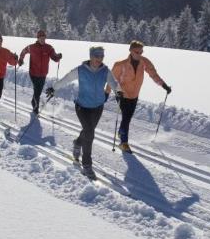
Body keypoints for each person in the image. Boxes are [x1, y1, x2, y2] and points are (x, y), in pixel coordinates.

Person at [45, 45, 121, 180]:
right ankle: (87, 164)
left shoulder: (105, 71)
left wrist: (118, 92)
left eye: (102, 56)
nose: (99, 59)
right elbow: (66, 79)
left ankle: (78, 142)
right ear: (91, 56)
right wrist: (54, 88)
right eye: (97, 56)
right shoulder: (80, 70)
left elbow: (113, 83)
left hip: (98, 107)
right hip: (82, 107)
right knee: (90, 133)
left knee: (87, 131)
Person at [110, 40, 172, 153]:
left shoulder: (144, 62)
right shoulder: (121, 64)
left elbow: (153, 74)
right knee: (126, 117)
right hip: (122, 94)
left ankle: (121, 133)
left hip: (134, 94)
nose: (139, 54)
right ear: (130, 51)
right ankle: (123, 142)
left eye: (141, 52)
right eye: (137, 52)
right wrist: (110, 92)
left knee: (127, 117)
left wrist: (163, 85)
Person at [17, 29, 62, 114]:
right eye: (41, 38)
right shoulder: (32, 47)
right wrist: (21, 59)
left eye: (44, 38)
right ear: (37, 38)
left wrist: (58, 57)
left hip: (43, 74)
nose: (42, 39)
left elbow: (54, 57)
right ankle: (35, 108)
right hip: (33, 73)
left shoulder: (49, 48)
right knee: (37, 90)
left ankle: (34, 102)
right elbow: (24, 51)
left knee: (38, 90)